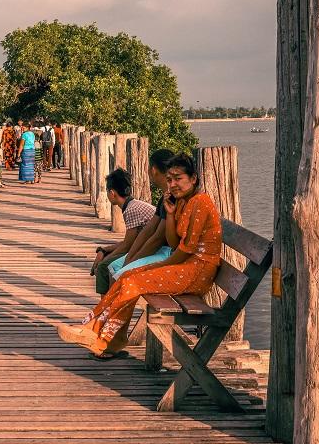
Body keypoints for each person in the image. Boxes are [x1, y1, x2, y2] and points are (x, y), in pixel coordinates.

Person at [57, 153, 222, 358]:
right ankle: (100, 332)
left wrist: (156, 267)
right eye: (169, 179)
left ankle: (102, 335)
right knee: (127, 276)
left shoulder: (200, 202)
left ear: (194, 178)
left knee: (132, 282)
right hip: (185, 266)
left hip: (197, 272)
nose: (172, 184)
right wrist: (170, 214)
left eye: (178, 178)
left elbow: (185, 250)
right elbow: (172, 242)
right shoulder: (181, 202)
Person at [105, 149, 178, 282]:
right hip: (160, 250)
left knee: (122, 275)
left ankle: (117, 303)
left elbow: (157, 238)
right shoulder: (164, 197)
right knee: (113, 267)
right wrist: (130, 258)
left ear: (154, 170)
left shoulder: (172, 197)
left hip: (169, 253)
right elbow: (148, 230)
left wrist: (133, 260)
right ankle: (111, 304)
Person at [91, 169, 156, 295]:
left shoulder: (131, 209)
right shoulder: (133, 205)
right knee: (105, 262)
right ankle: (107, 306)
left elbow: (127, 246)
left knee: (104, 267)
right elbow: (130, 242)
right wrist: (104, 250)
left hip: (154, 250)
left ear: (112, 193)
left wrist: (105, 258)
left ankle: (107, 308)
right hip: (147, 247)